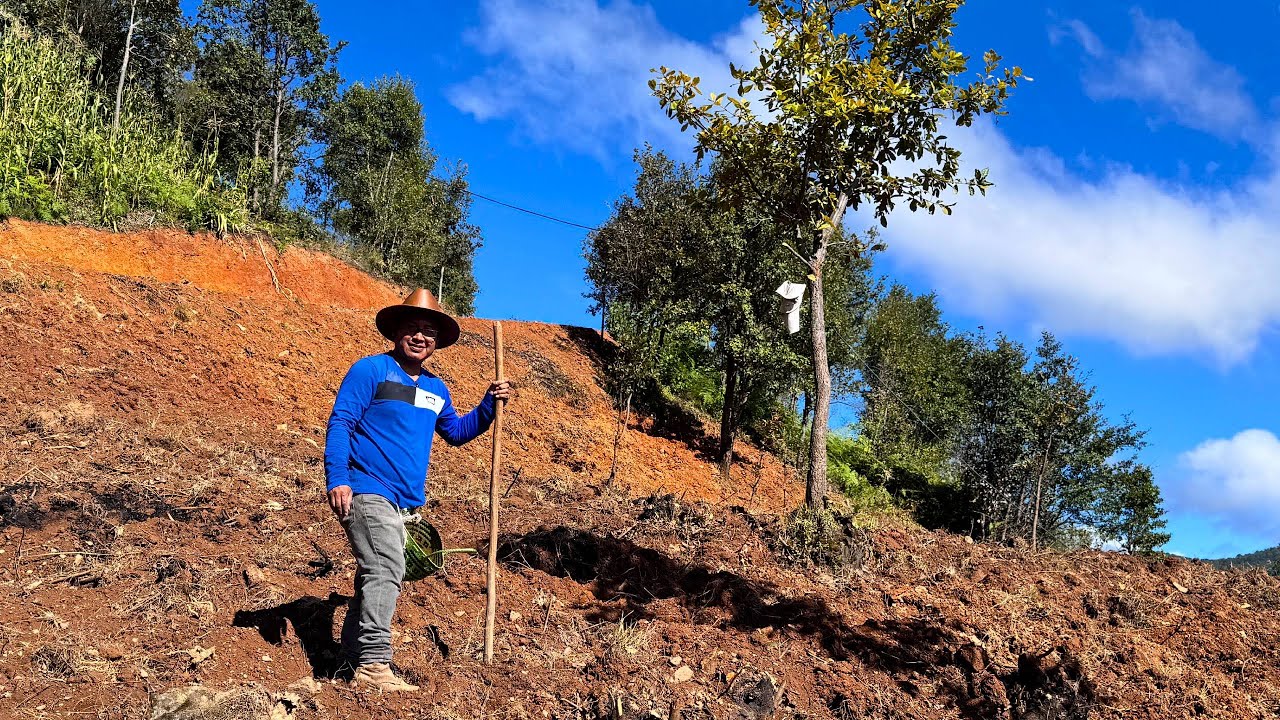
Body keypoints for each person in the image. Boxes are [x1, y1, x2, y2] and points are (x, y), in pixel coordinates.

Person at [324, 289, 510, 692]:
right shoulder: (370, 371)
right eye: (413, 328)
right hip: (367, 488)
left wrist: (487, 406)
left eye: (429, 331)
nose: (421, 337)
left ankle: (352, 658)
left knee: (374, 572)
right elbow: (341, 422)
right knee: (386, 568)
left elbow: (457, 433)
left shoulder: (436, 389)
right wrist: (337, 477)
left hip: (402, 503)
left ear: (437, 341)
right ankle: (373, 667)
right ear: (396, 332)